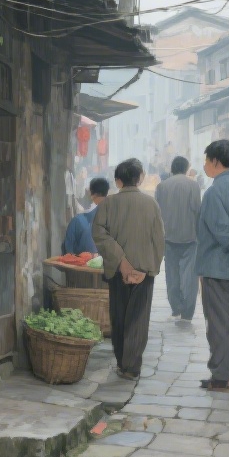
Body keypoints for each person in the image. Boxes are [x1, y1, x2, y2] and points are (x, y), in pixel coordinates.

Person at [92, 159, 165, 381]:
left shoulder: (108, 204)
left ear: (118, 180)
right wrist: (148, 269)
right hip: (144, 272)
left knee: (119, 315)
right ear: (140, 178)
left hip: (116, 272)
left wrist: (121, 262)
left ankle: (123, 362)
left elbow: (98, 233)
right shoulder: (151, 204)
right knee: (138, 319)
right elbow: (159, 241)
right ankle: (131, 366)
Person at [196, 140, 229, 391]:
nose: (204, 165)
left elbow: (222, 231)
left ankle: (222, 375)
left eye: (206, 161)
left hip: (218, 269)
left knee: (218, 323)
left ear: (216, 162)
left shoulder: (214, 192)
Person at [155, 156, 202, 324]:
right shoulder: (193, 185)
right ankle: (187, 313)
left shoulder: (162, 186)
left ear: (172, 168)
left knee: (172, 275)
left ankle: (176, 307)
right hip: (190, 238)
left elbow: (157, 213)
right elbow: (198, 211)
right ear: (186, 168)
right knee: (189, 277)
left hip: (168, 238)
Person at [62, 178, 109, 255]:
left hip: (80, 265)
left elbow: (69, 252)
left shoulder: (77, 220)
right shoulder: (115, 220)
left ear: (91, 194)